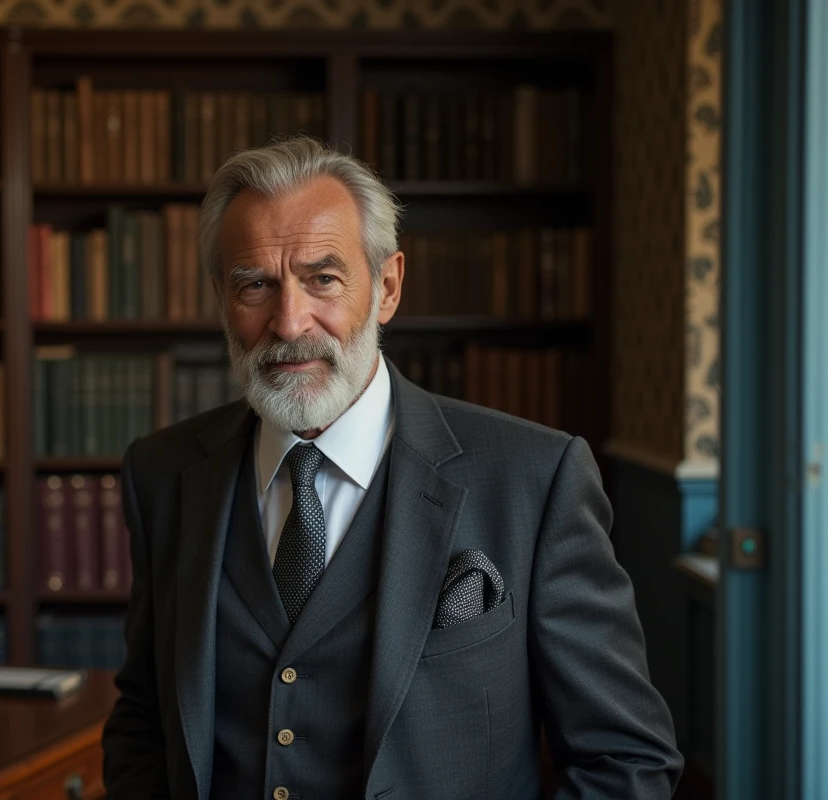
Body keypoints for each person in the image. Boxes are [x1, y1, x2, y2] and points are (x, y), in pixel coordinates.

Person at [101, 136, 682, 799]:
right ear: (219, 296)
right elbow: (143, 716)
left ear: (387, 286)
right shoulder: (162, 473)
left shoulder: (534, 478)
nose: (289, 322)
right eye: (255, 284)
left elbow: (627, 761)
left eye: (323, 277)